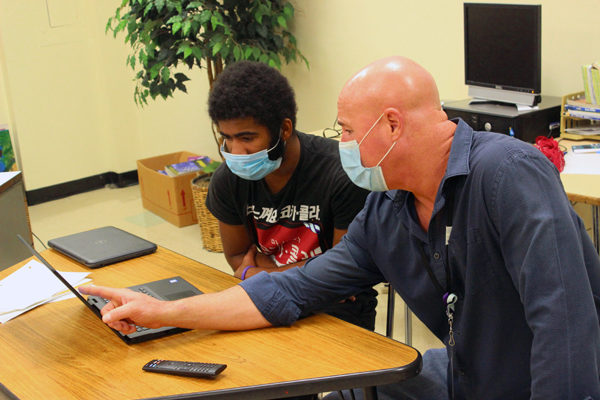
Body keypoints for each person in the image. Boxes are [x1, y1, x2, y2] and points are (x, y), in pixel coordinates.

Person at [80, 56, 600, 399]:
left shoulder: (507, 173)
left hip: (549, 382)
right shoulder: (387, 212)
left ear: (393, 126)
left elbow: (565, 325)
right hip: (470, 376)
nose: (343, 143)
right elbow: (290, 289)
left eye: (348, 131)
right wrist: (163, 311)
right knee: (360, 385)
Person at [204, 60, 376, 332]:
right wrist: (277, 276)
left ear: (284, 129)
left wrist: (257, 273)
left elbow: (343, 275)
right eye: (228, 137)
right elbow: (237, 256)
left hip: (337, 309)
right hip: (267, 297)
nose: (236, 151)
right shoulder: (228, 180)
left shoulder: (343, 175)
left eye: (248, 138)